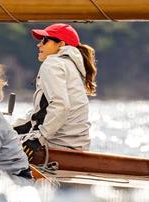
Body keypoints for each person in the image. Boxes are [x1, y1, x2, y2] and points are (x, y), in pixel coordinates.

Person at [12, 23, 97, 161]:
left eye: (45, 40)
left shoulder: (53, 64)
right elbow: (43, 112)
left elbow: (60, 106)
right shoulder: (73, 66)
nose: (39, 45)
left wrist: (40, 138)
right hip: (77, 146)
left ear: (61, 45)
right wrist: (11, 129)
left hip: (57, 146)